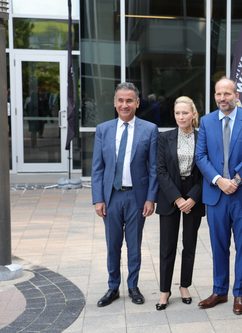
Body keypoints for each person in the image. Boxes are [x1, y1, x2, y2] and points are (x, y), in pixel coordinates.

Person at [195, 77, 242, 315]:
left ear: (236, 96)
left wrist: (234, 181)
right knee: (218, 246)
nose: (222, 98)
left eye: (227, 94)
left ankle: (239, 294)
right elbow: (200, 156)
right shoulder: (206, 121)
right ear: (214, 96)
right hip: (216, 195)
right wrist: (218, 180)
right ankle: (219, 291)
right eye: (218, 94)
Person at [91, 82, 159, 307]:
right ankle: (113, 287)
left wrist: (151, 198)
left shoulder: (149, 129)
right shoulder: (104, 129)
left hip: (137, 198)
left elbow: (153, 168)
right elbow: (97, 168)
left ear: (137, 103)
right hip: (111, 197)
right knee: (112, 244)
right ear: (114, 102)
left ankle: (133, 286)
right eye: (120, 100)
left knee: (134, 245)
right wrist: (98, 199)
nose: (124, 104)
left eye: (129, 100)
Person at [155, 96, 205, 310]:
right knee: (167, 246)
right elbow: (161, 170)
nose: (181, 117)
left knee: (189, 245)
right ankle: (165, 291)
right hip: (170, 195)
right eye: (177, 113)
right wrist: (177, 198)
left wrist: (193, 197)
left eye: (185, 113)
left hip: (194, 194)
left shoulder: (203, 137)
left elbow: (207, 169)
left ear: (193, 114)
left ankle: (185, 285)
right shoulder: (164, 138)